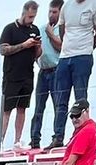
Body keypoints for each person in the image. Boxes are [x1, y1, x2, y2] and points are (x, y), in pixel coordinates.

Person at [49, 0, 96, 149]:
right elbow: (62, 30)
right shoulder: (67, 6)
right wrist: (68, 46)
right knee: (61, 99)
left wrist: (87, 48)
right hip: (65, 56)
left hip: (83, 56)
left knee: (81, 99)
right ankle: (58, 136)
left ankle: (81, 135)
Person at [0, 4, 44, 155]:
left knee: (22, 108)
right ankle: (0, 143)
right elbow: (3, 49)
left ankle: (17, 141)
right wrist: (24, 45)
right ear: (24, 13)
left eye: (34, 17)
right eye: (30, 16)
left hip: (27, 75)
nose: (31, 20)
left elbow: (37, 55)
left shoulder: (34, 30)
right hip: (12, 75)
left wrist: (37, 46)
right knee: (7, 109)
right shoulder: (10, 29)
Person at [30, 0, 65, 148]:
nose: (51, 14)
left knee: (58, 105)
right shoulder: (41, 29)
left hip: (57, 70)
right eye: (50, 11)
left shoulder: (62, 30)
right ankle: (34, 138)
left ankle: (57, 137)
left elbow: (61, 47)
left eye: (55, 12)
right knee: (39, 107)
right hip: (43, 71)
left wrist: (51, 35)